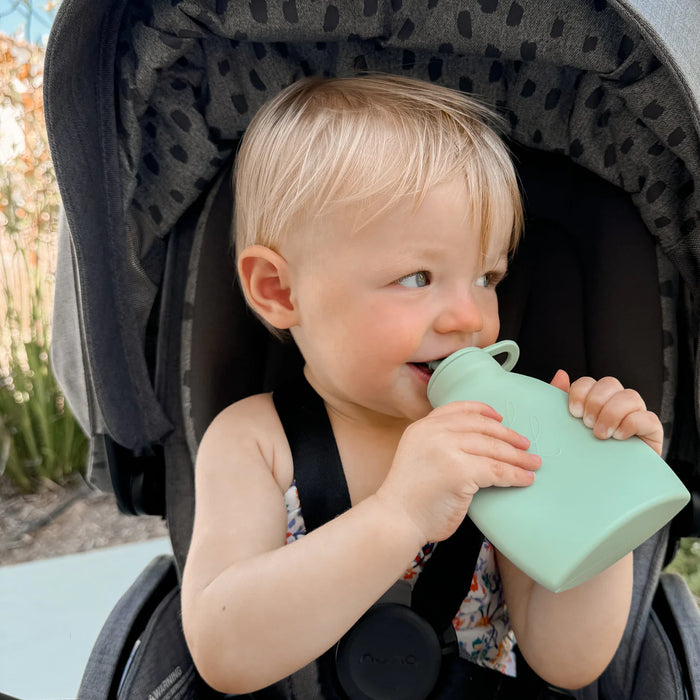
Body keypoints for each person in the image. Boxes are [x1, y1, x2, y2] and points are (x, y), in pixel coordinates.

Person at [180, 74, 663, 695]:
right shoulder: (254, 442)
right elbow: (225, 654)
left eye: (487, 277)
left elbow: (567, 658)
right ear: (279, 290)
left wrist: (603, 500)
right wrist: (399, 513)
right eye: (416, 277)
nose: (472, 317)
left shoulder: (506, 440)